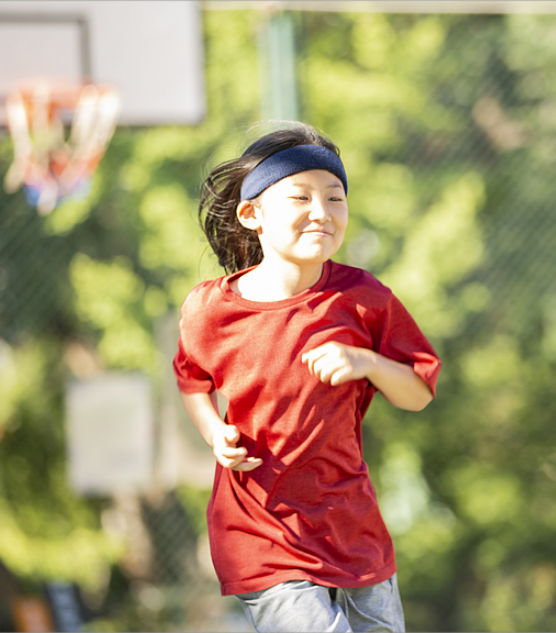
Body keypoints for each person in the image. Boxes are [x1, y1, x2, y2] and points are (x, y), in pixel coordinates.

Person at [173, 121, 440, 632]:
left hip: (352, 531)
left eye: (335, 198)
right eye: (300, 197)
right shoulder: (210, 309)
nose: (322, 212)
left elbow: (419, 392)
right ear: (252, 215)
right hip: (261, 535)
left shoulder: (364, 299)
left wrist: (368, 363)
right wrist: (215, 434)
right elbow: (192, 381)